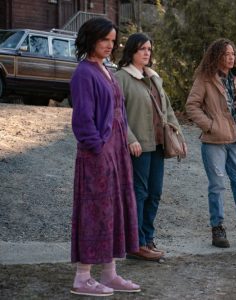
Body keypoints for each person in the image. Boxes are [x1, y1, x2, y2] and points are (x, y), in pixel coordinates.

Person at [70, 17, 140, 296]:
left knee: (113, 212)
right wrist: (97, 148)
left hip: (116, 154)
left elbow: (119, 113)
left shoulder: (107, 69)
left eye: (113, 41)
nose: (110, 45)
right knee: (94, 213)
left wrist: (119, 148)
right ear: (91, 39)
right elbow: (83, 118)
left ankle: (109, 274)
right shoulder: (84, 73)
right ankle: (82, 277)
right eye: (105, 40)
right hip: (96, 156)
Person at [185, 38, 236, 248]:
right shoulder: (205, 79)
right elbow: (191, 106)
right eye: (226, 54)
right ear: (217, 57)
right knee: (217, 186)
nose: (231, 58)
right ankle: (218, 229)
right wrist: (211, 126)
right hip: (214, 141)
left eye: (233, 54)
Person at [115, 33, 187, 260]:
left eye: (149, 49)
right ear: (131, 52)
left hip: (158, 144)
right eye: (142, 49)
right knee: (140, 192)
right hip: (138, 146)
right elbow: (116, 113)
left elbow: (167, 109)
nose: (147, 53)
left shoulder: (155, 77)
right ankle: (134, 243)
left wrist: (178, 135)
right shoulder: (121, 78)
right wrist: (129, 138)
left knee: (154, 193)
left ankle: (147, 239)